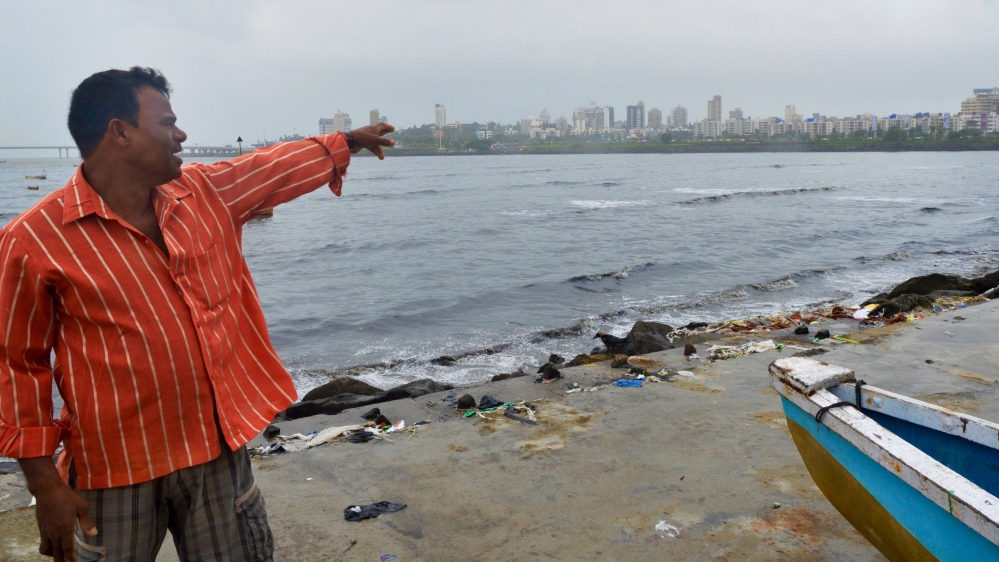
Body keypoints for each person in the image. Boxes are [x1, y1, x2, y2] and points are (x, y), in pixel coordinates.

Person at [0, 67, 394, 562]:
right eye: (167, 122)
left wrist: (346, 142)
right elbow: (18, 365)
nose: (181, 134)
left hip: (216, 451)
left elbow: (271, 167)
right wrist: (46, 488)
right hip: (112, 468)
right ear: (119, 131)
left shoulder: (206, 193)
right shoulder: (32, 240)